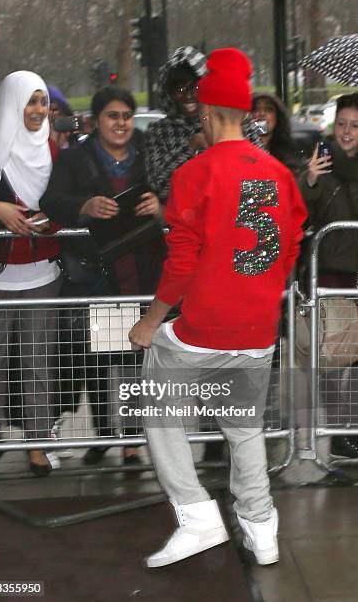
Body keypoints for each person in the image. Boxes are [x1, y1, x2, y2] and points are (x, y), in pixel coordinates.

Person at [129, 47, 307, 567]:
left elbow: (181, 265)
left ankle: (197, 517)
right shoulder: (279, 172)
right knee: (243, 424)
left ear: (206, 112)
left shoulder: (195, 174)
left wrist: (150, 321)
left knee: (160, 410)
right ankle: (261, 528)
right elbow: (291, 249)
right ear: (247, 113)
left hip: (205, 325)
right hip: (257, 327)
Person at [40, 86, 165, 466]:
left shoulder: (149, 154)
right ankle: (105, 433)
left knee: (136, 359)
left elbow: (177, 191)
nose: (121, 123)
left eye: (127, 115)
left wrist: (160, 204)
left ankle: (131, 440)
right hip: (101, 272)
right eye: (113, 116)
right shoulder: (74, 158)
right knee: (102, 356)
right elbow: (51, 200)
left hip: (143, 269)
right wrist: (85, 206)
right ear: (97, 121)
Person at [0, 70, 62, 477]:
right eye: (30, 101)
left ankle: (39, 443)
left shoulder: (52, 147)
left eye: (43, 101)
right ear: (12, 102)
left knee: (38, 364)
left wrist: (52, 219)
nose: (38, 110)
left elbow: (63, 203)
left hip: (42, 275)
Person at [299, 92, 358, 460]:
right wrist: (308, 181)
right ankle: (339, 431)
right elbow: (299, 217)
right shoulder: (320, 168)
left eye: (355, 126)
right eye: (341, 124)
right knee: (335, 358)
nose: (347, 132)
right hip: (333, 276)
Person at [145, 45, 264, 204]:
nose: (188, 95)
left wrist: (223, 150)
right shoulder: (159, 131)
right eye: (179, 89)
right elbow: (158, 185)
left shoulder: (240, 123)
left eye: (194, 87)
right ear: (169, 93)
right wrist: (190, 147)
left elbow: (261, 190)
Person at [252, 92, 303, 175]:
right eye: (256, 109)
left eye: (268, 109)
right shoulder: (239, 151)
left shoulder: (289, 152)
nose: (262, 113)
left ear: (278, 117)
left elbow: (291, 183)